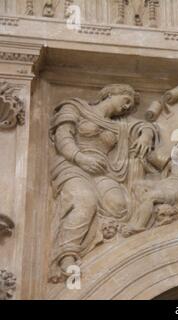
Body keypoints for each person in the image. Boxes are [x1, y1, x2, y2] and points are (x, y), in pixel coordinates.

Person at [49, 84, 158, 282]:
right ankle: (67, 254)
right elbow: (62, 136)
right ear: (110, 94)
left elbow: (143, 126)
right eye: (126, 101)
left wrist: (147, 135)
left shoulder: (120, 125)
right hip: (73, 164)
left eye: (130, 105)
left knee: (119, 205)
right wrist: (80, 157)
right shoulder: (76, 108)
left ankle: (108, 250)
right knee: (85, 200)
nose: (126, 107)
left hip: (103, 171)